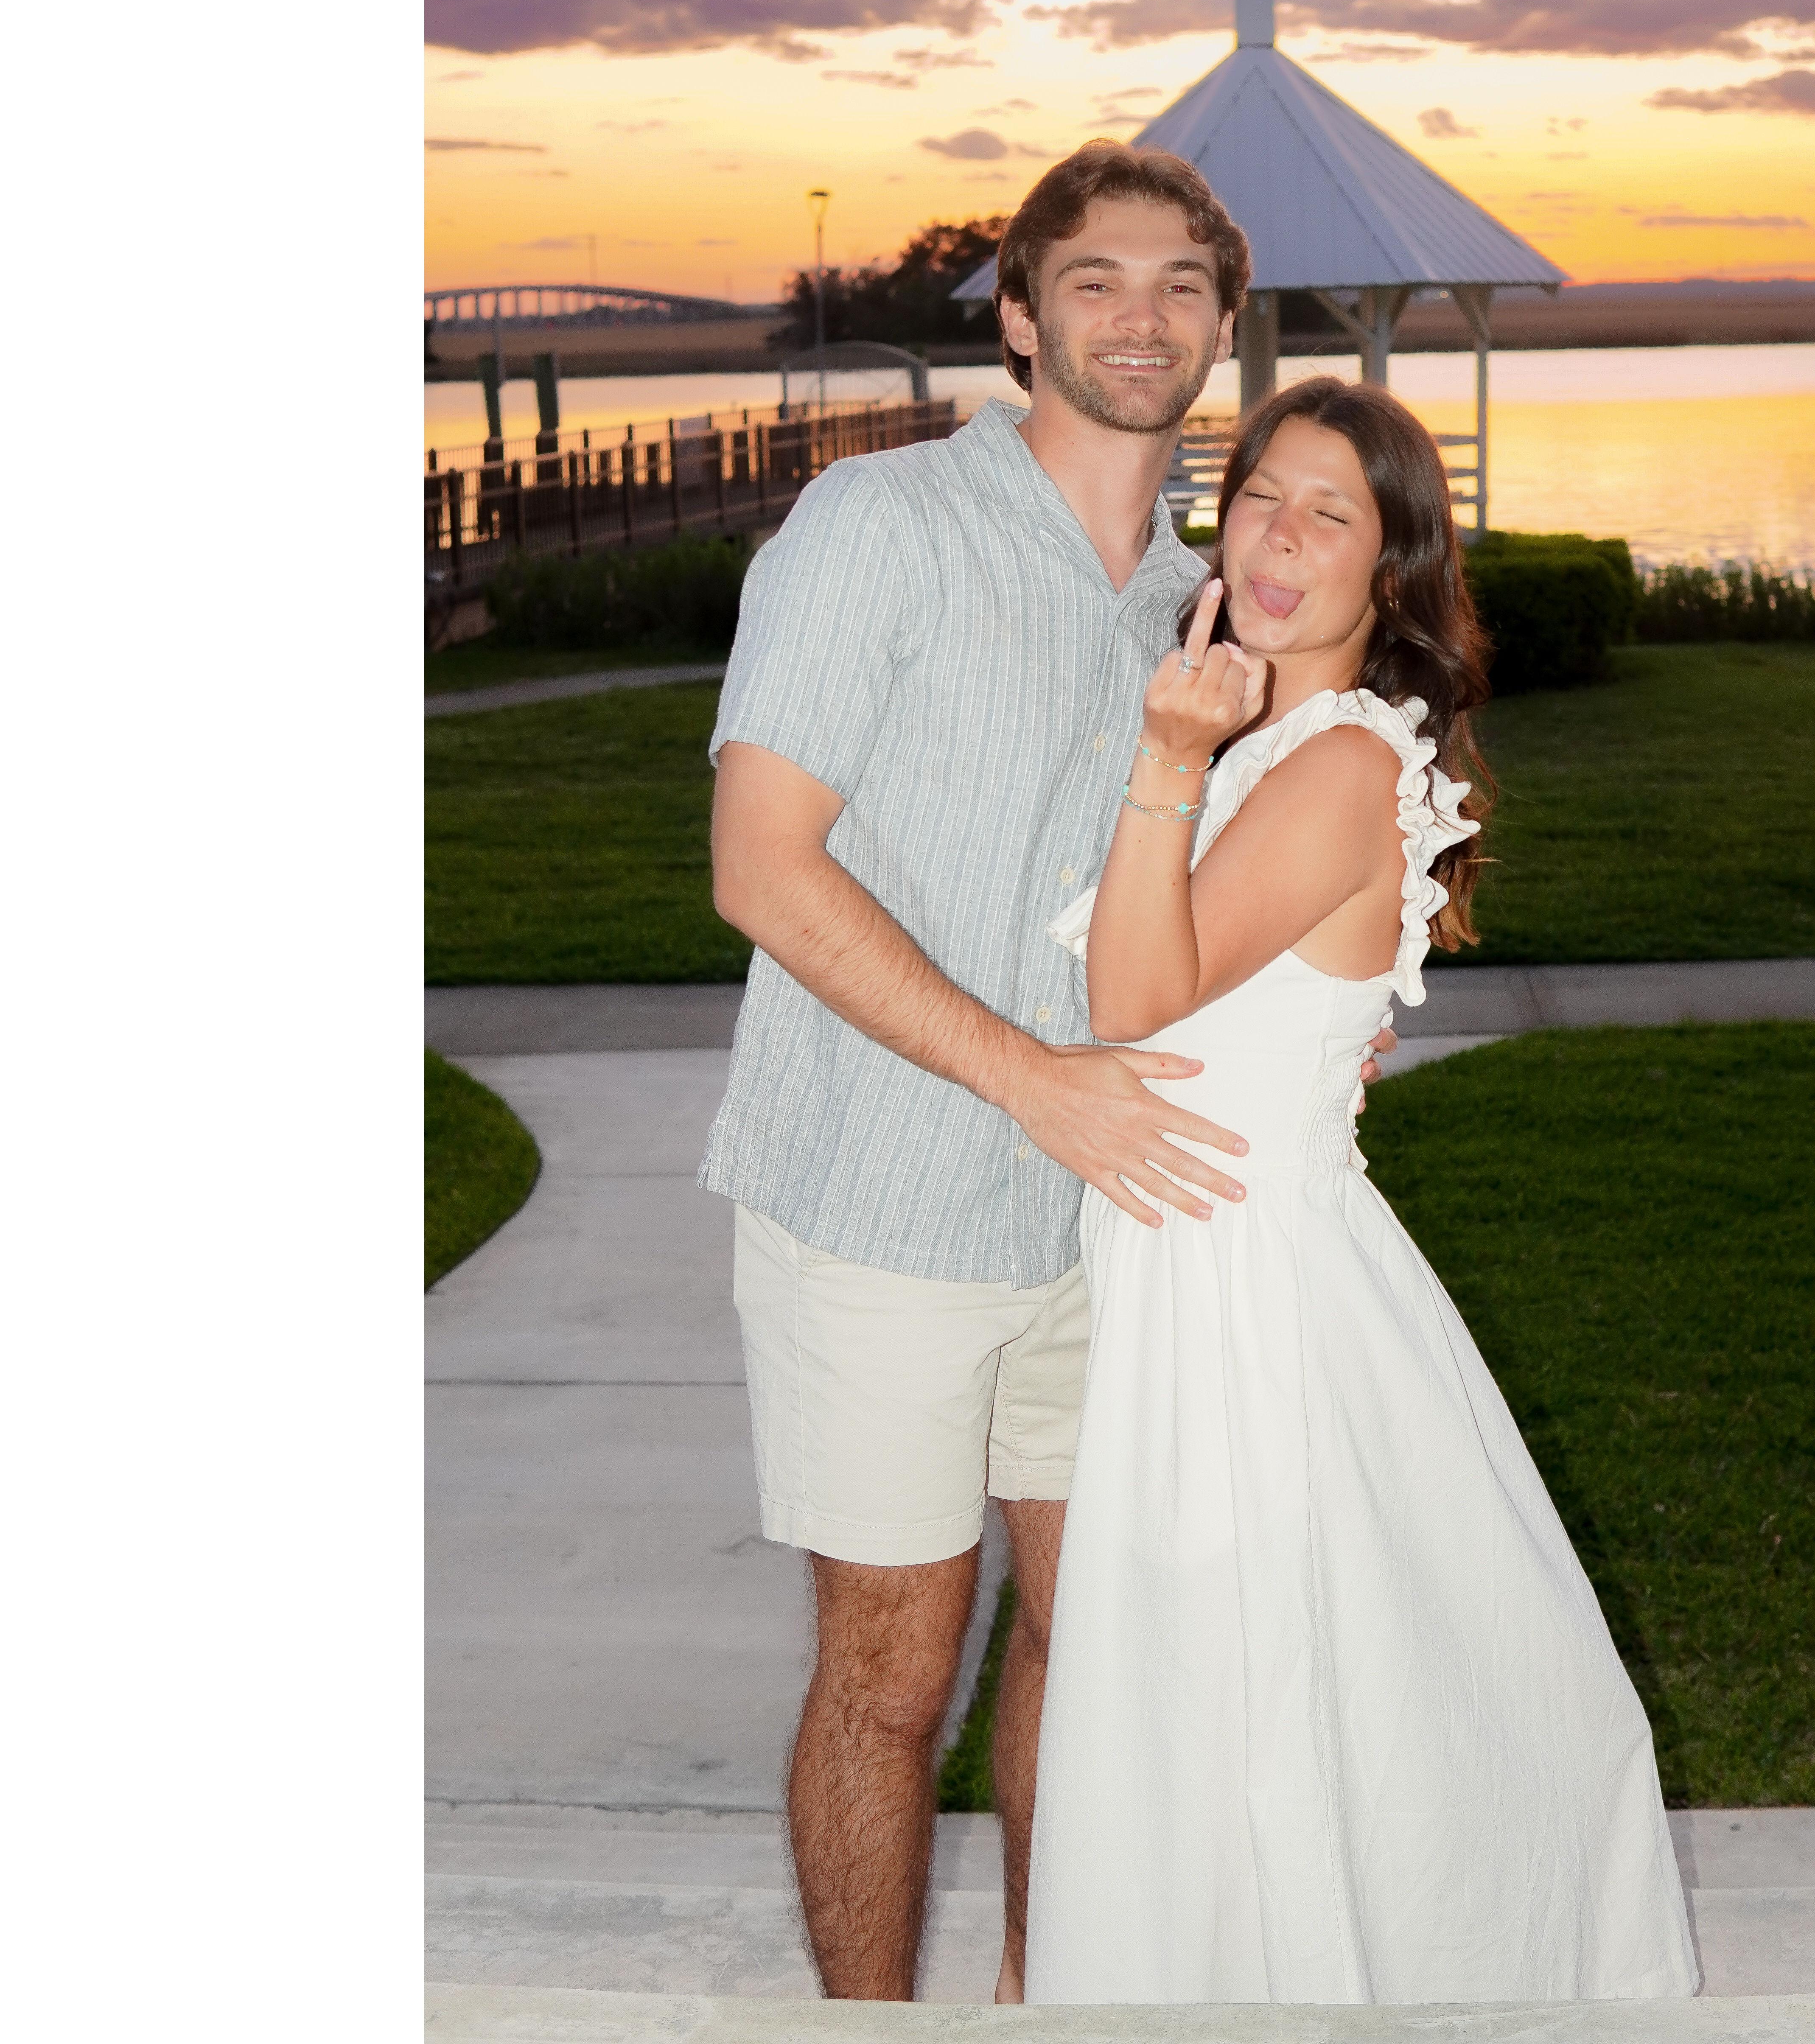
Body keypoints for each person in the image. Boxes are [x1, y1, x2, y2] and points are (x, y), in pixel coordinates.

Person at [700, 143, 1388, 2002]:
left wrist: (1332, 1012)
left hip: (1113, 1230)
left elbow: (1263, 860)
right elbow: (762, 868)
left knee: (1098, 1655)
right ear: (1019, 317)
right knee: (891, 1670)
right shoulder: (878, 527)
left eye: (1182, 286)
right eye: (1095, 281)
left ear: (1225, 328)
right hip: (878, 1202)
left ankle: (1037, 2002)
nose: (1140, 318)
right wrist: (1032, 1081)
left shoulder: (1205, 599)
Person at [1025, 378, 1700, 2006]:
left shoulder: (1328, 762)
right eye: (1262, 495)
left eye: (1330, 516)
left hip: (1247, 1293)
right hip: (1202, 1256)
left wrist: (1164, 756)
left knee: (1258, 1695)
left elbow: (1135, 994)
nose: (1278, 539)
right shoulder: (1272, 743)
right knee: (1236, 1698)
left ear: (1390, 569)